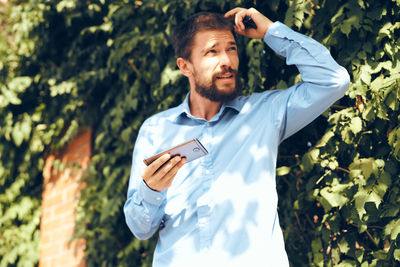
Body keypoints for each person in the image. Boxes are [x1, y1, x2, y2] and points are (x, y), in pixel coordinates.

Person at [124, 7, 350, 267]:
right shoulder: (155, 129)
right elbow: (140, 228)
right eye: (212, 51)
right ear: (185, 66)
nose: (227, 61)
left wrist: (270, 31)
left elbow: (333, 81)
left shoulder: (266, 113)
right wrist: (152, 190)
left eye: (231, 49)